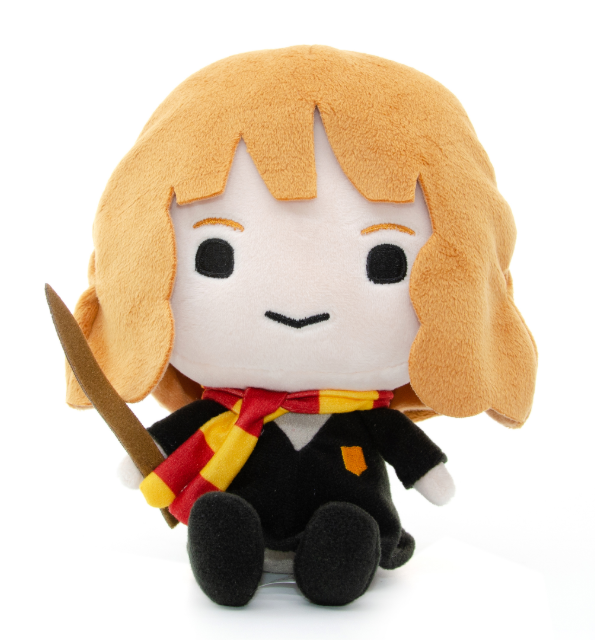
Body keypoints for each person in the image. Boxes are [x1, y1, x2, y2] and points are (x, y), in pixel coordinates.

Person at [66, 46, 537, 608]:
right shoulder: (224, 411)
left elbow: (413, 456)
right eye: (216, 255)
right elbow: (154, 450)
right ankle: (227, 545)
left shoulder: (363, 413)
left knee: (347, 526)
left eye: (386, 260)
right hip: (239, 516)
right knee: (224, 520)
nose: (298, 299)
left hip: (350, 517)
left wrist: (429, 473)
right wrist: (141, 459)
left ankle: (345, 547)